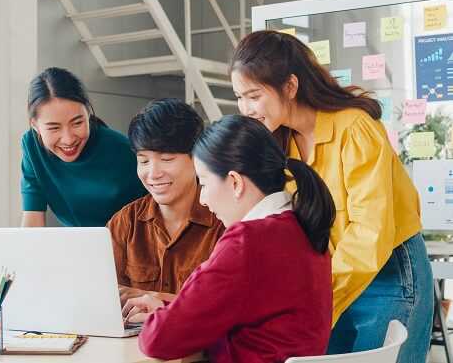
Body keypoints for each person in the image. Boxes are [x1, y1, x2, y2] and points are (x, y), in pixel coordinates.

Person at [230, 30, 433, 361]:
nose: (246, 109)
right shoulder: (283, 144)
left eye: (254, 96)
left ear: (290, 86)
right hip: (334, 275)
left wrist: (316, 293)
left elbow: (371, 231)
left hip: (390, 273)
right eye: (239, 97)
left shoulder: (353, 127)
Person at [123, 115, 335, 362]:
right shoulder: (301, 225)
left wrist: (159, 319)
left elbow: (157, 341)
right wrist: (167, 312)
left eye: (203, 183)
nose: (203, 199)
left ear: (234, 182)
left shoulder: (247, 241)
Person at [107, 98, 224, 304]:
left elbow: (230, 307)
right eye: (143, 161)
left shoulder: (224, 221)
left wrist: (159, 301)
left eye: (167, 159)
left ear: (197, 158)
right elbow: (100, 293)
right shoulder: (125, 223)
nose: (153, 174)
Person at [20, 67, 146, 227]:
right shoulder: (32, 147)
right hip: (78, 246)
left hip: (128, 245)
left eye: (77, 123)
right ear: (35, 125)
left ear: (88, 112)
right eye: (54, 128)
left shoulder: (125, 151)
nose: (68, 139)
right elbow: (32, 220)